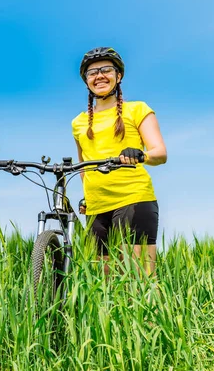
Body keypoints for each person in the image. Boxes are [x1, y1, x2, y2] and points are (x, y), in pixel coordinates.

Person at [72, 47, 167, 275]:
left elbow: (160, 152)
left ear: (118, 75)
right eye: (92, 73)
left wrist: (140, 154)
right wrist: (87, 195)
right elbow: (84, 164)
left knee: (139, 280)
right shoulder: (79, 122)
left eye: (106, 70)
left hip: (133, 198)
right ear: (87, 81)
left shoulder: (138, 109)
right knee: (102, 285)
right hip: (96, 207)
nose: (99, 76)